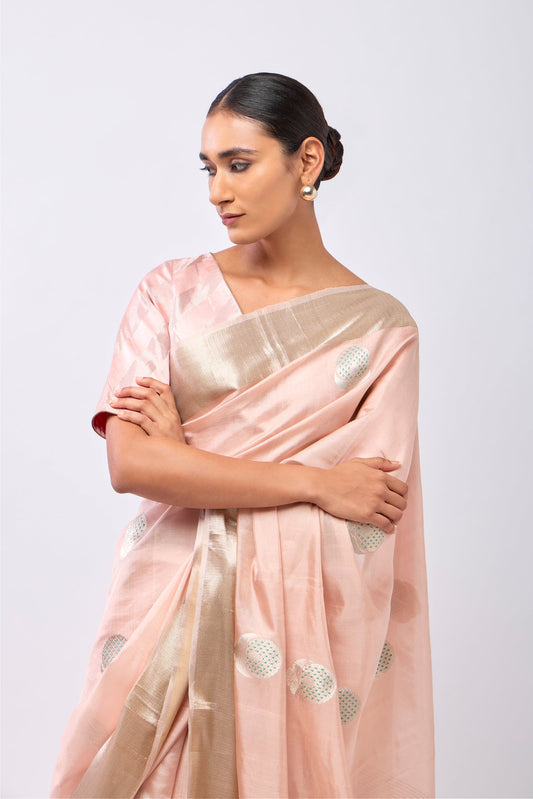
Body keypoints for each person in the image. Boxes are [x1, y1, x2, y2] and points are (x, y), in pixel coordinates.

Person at [51, 72, 434, 798]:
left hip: (292, 645)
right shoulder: (169, 293)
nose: (216, 192)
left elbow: (363, 514)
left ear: (306, 160)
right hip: (161, 610)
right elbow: (131, 465)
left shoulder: (382, 333)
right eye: (208, 168)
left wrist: (187, 461)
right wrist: (313, 482)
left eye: (238, 164)